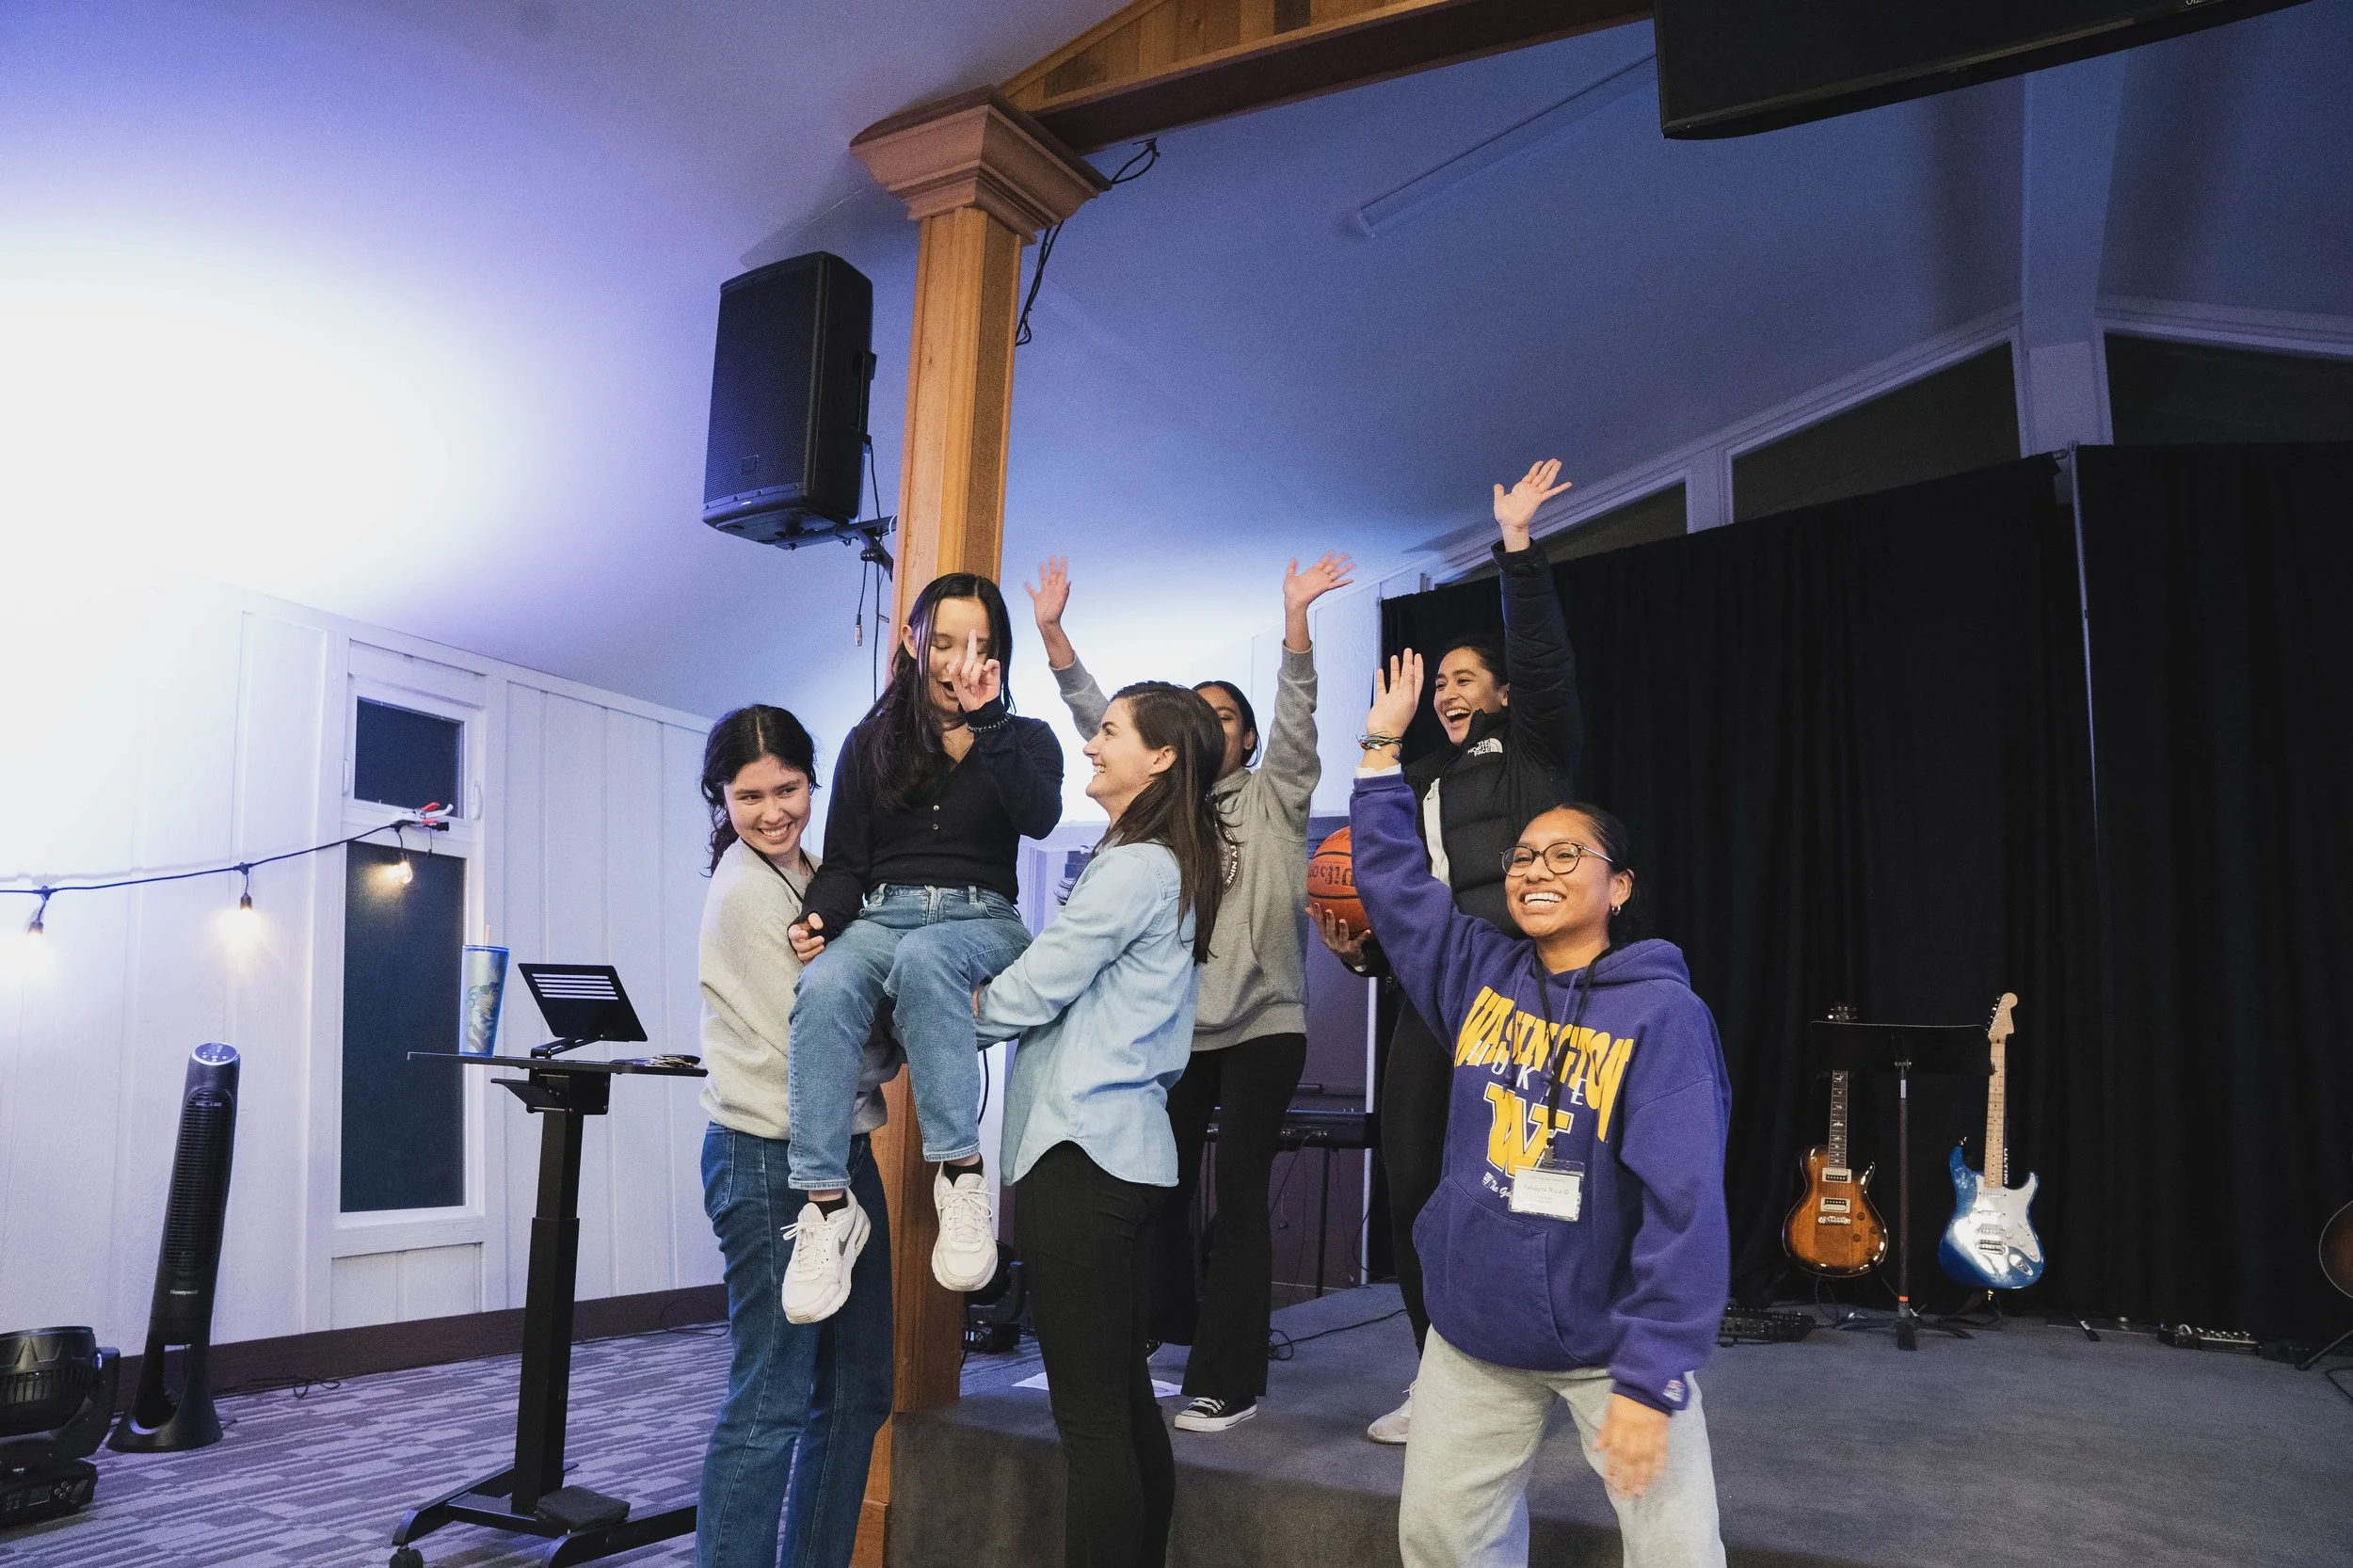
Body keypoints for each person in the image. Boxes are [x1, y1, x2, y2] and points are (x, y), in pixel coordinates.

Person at [1353, 650, 1731, 1568]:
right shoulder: (1476, 976)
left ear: (1619, 885)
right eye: (1523, 855)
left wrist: (1651, 1373)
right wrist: (1375, 753)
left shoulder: (1661, 1015)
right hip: (1477, 1332)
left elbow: (1685, 1208)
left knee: (1676, 1550)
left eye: (1567, 855)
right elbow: (1399, 891)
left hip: (1613, 1340)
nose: (1536, 869)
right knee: (1443, 1540)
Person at [1026, 549, 1353, 1432]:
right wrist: (1054, 634)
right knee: (1156, 1189)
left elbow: (1297, 718)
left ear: (1241, 738)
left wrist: (1295, 621)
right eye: (1197, 717)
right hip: (1177, 1034)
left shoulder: (1277, 794)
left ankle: (1228, 1378)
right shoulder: (1163, 810)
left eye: (1225, 715)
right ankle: (1153, 1333)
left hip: (1263, 1027)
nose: (1213, 724)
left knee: (1240, 1193)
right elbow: (1109, 723)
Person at [1317, 458, 1586, 1444]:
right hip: (1441, 1004)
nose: (1447, 693)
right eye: (1440, 683)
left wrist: (1516, 547)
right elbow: (1405, 912)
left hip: (1534, 998)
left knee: (1529, 1185)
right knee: (1416, 1183)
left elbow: (1549, 663)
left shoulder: (1537, 754)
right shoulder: (1418, 786)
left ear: (1505, 694)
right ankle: (1439, 1374)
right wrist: (1360, 957)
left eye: (1467, 678)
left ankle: (1548, 1365)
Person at [976, 682, 1231, 1568]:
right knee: (1121, 1407)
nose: (1093, 746)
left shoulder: (1136, 867)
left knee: (1091, 1424)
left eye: (1110, 733)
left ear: (1161, 758)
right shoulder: (1168, 860)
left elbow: (1034, 986)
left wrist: (930, 1013)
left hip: (1082, 1158)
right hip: (1122, 1158)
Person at [781, 574, 1064, 1323]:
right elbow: (845, 864)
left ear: (997, 655)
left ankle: (962, 1177)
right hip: (882, 914)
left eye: (977, 644)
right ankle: (825, 1204)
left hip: (984, 920)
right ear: (913, 642)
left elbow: (1040, 817)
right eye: (942, 641)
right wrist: (819, 921)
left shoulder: (1025, 738)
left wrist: (990, 721)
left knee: (927, 957)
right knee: (828, 983)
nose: (956, 659)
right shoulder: (871, 742)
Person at [692, 706, 897, 1568]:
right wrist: (901, 1031)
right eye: (749, 796)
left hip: (844, 1153)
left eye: (788, 788)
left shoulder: (813, 870)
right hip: (770, 1157)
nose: (772, 810)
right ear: (721, 799)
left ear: (813, 783)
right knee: (772, 1398)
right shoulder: (745, 890)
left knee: (859, 1393)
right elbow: (830, 1041)